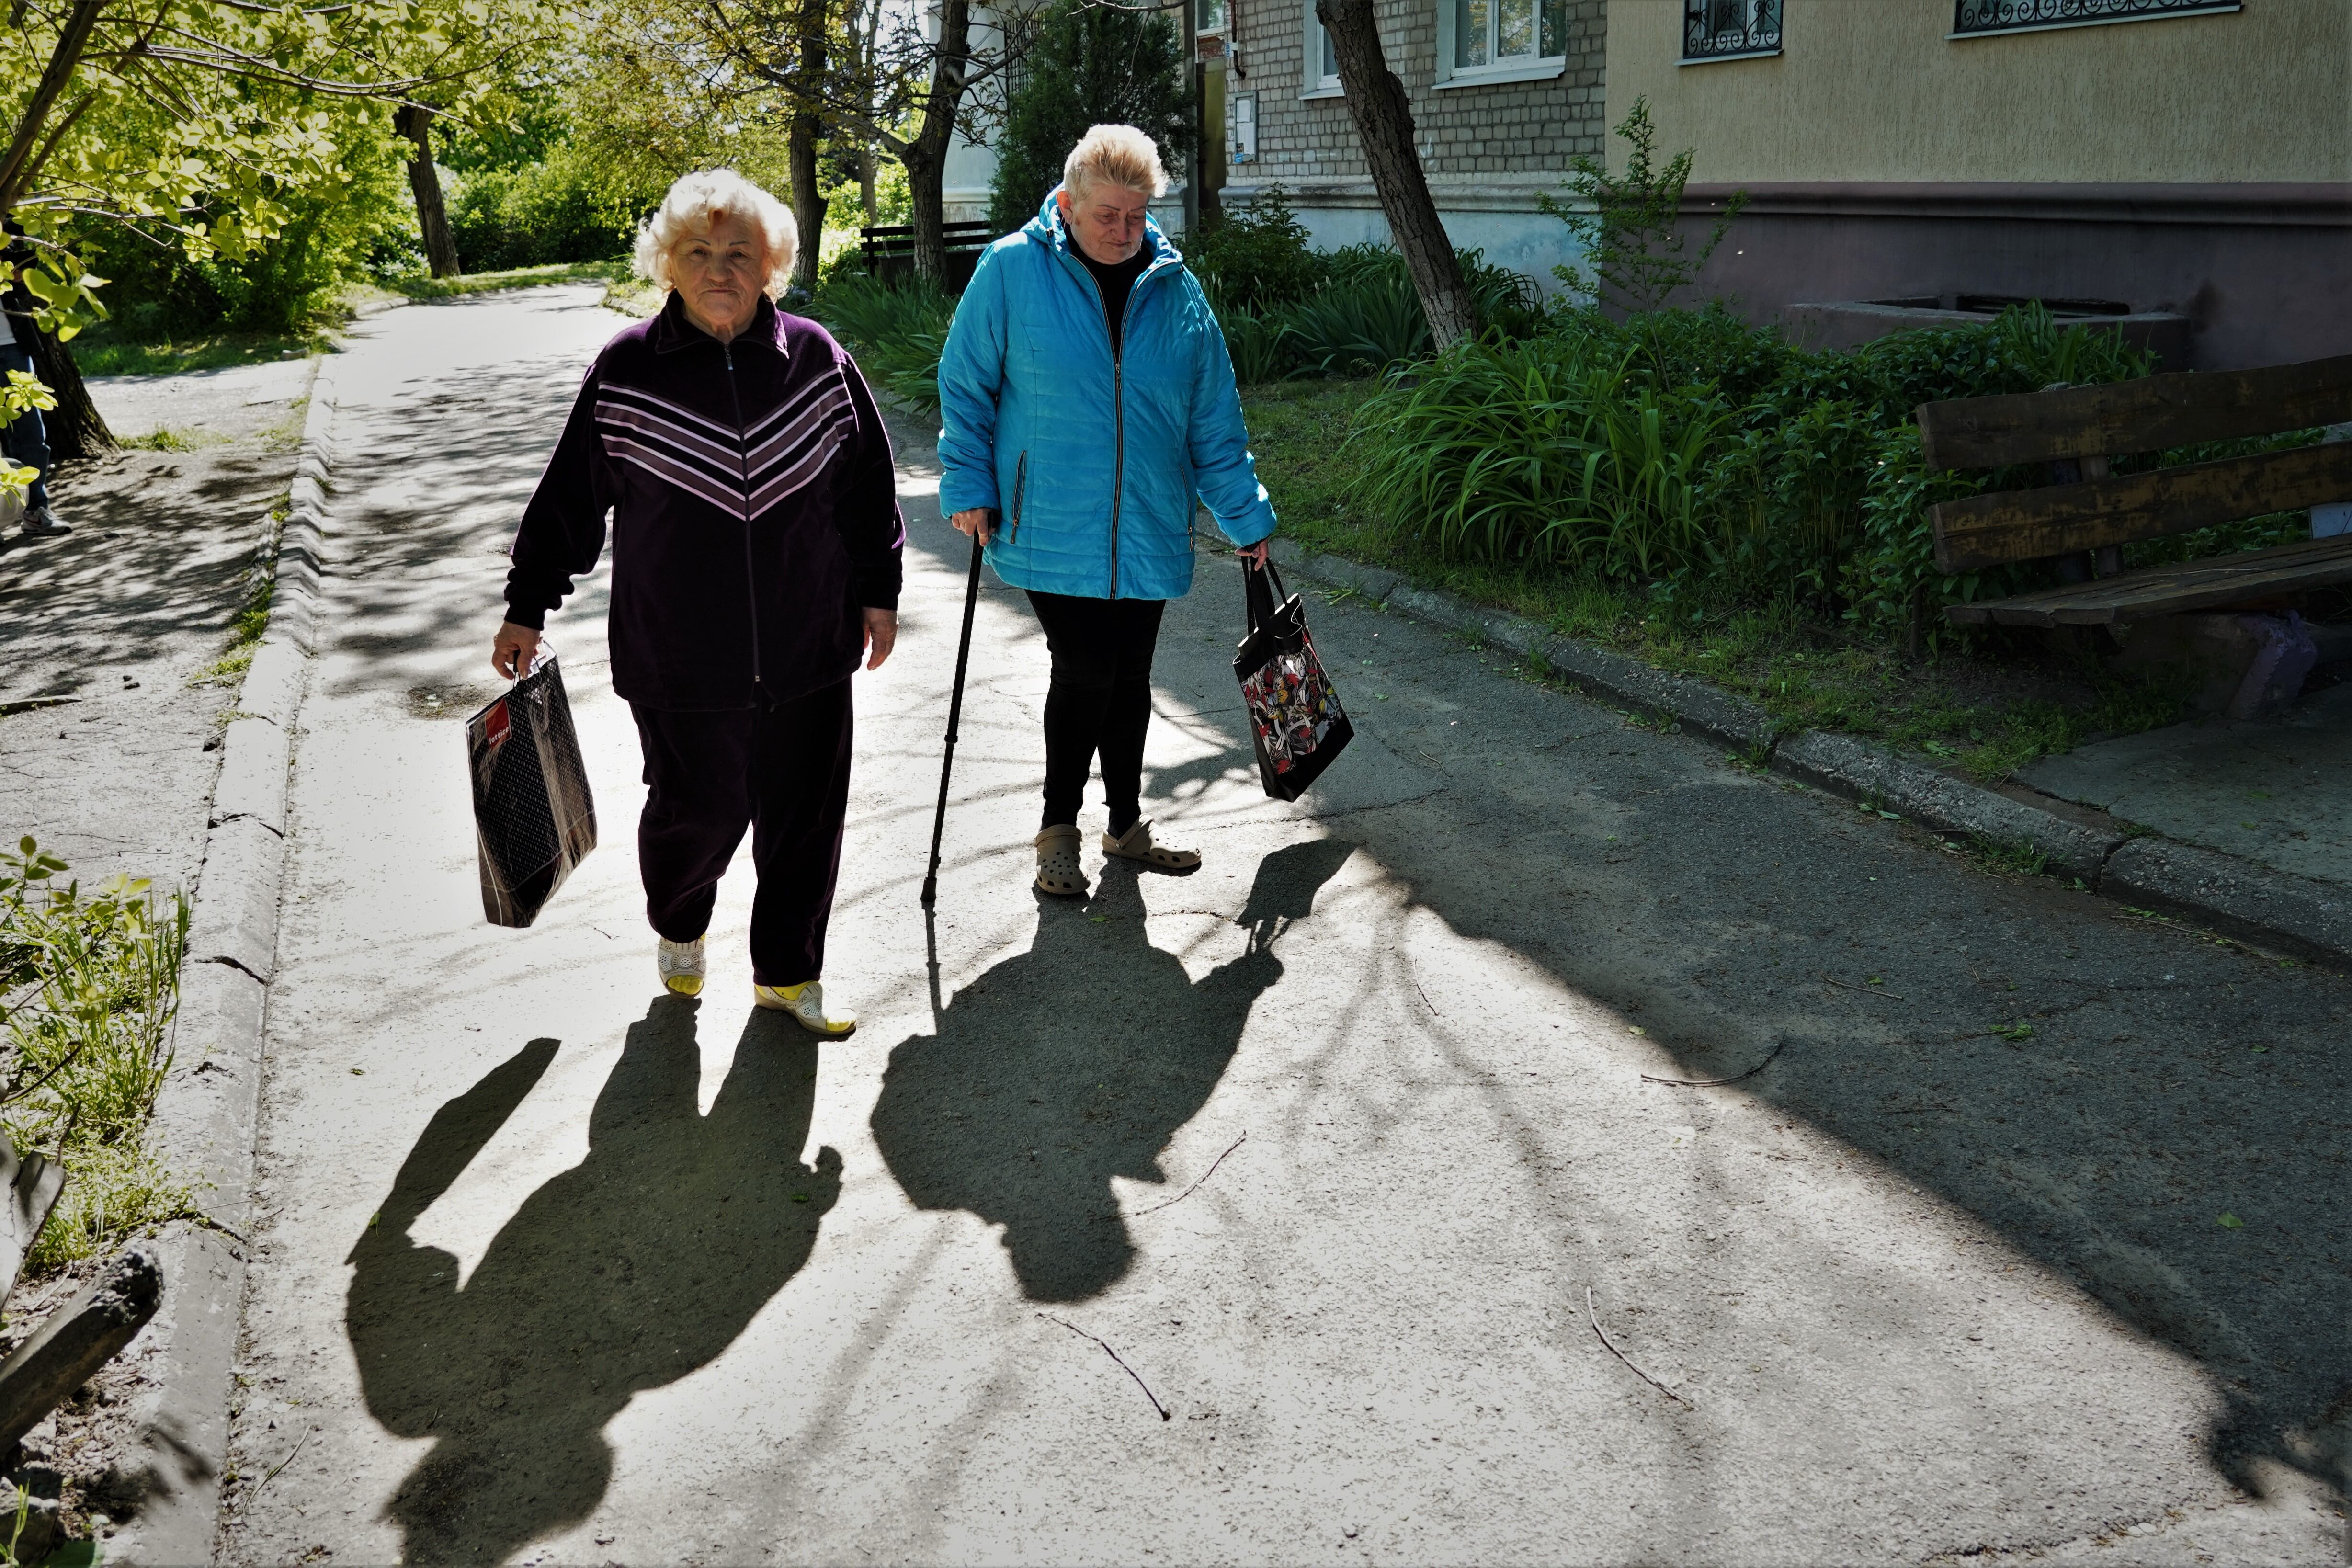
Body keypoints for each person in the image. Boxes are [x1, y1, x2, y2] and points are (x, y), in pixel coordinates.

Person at [491, 169, 904, 1037]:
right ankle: (680, 920)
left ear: (773, 266)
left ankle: (789, 976)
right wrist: (529, 603)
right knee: (695, 814)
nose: (722, 270)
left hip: (809, 644)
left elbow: (867, 486)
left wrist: (879, 591)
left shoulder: (819, 361)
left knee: (805, 820)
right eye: (700, 253)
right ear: (667, 265)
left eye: (741, 254)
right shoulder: (628, 369)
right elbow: (569, 498)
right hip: (676, 655)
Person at [936, 124, 1276, 899]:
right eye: (1105, 217)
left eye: (1135, 215)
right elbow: (966, 384)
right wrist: (967, 486)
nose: (1122, 233)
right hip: (1046, 517)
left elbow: (1212, 418)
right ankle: (1058, 831)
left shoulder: (1175, 287)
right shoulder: (1014, 270)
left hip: (1150, 519)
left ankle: (1126, 827)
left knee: (1130, 678)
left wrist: (1245, 515)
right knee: (1085, 665)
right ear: (1066, 202)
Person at [0, 226, 66, 538]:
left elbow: (23, 272)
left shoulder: (8, 213)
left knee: (30, 432)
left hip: (13, 344)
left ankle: (36, 510)